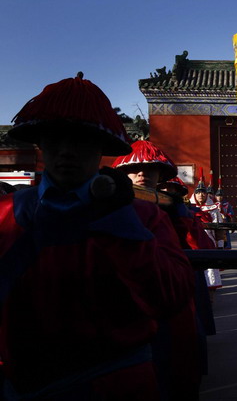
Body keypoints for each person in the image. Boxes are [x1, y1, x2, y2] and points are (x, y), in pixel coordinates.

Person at [0, 73, 194, 400]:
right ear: (40, 143)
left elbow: (170, 298)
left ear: (102, 147)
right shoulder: (6, 214)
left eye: (81, 139)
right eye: (55, 138)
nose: (66, 151)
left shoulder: (145, 216)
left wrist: (118, 222)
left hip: (117, 381)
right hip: (20, 382)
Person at [112, 140, 205, 400]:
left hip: (173, 300)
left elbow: (200, 248)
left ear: (161, 175)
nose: (142, 174)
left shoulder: (173, 209)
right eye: (135, 169)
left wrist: (182, 216)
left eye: (150, 168)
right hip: (126, 306)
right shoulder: (108, 205)